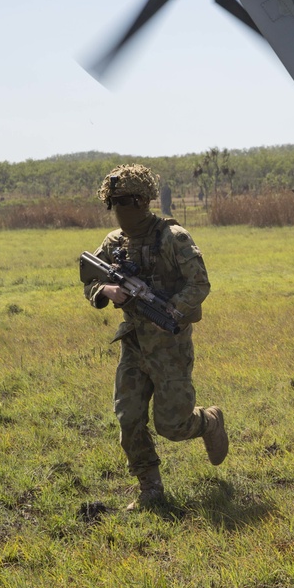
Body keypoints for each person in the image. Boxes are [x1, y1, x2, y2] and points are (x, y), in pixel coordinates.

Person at [82, 164, 228, 511]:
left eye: (128, 201)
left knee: (172, 425)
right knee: (128, 417)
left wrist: (172, 312)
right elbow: (90, 276)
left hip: (170, 345)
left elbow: (200, 284)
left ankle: (209, 421)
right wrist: (106, 290)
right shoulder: (114, 242)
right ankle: (150, 489)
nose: (121, 209)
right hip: (132, 342)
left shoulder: (173, 237)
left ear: (145, 200)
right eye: (114, 202)